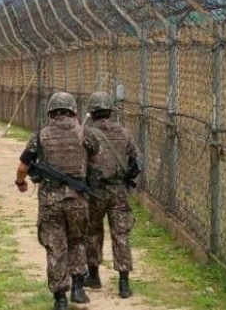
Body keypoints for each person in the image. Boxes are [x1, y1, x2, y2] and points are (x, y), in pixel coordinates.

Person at [15, 91, 100, 310]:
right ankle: (79, 289)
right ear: (73, 111)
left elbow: (23, 166)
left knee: (55, 247)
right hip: (78, 200)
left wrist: (20, 183)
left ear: (51, 112)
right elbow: (95, 153)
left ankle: (60, 299)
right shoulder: (85, 133)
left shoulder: (40, 136)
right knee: (77, 241)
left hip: (50, 201)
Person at [83, 91, 142, 298]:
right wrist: (127, 178)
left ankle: (93, 276)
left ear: (92, 112)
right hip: (119, 191)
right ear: (110, 111)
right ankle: (124, 284)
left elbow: (81, 163)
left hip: (95, 192)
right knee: (121, 235)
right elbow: (136, 162)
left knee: (92, 232)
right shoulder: (123, 133)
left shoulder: (87, 134)